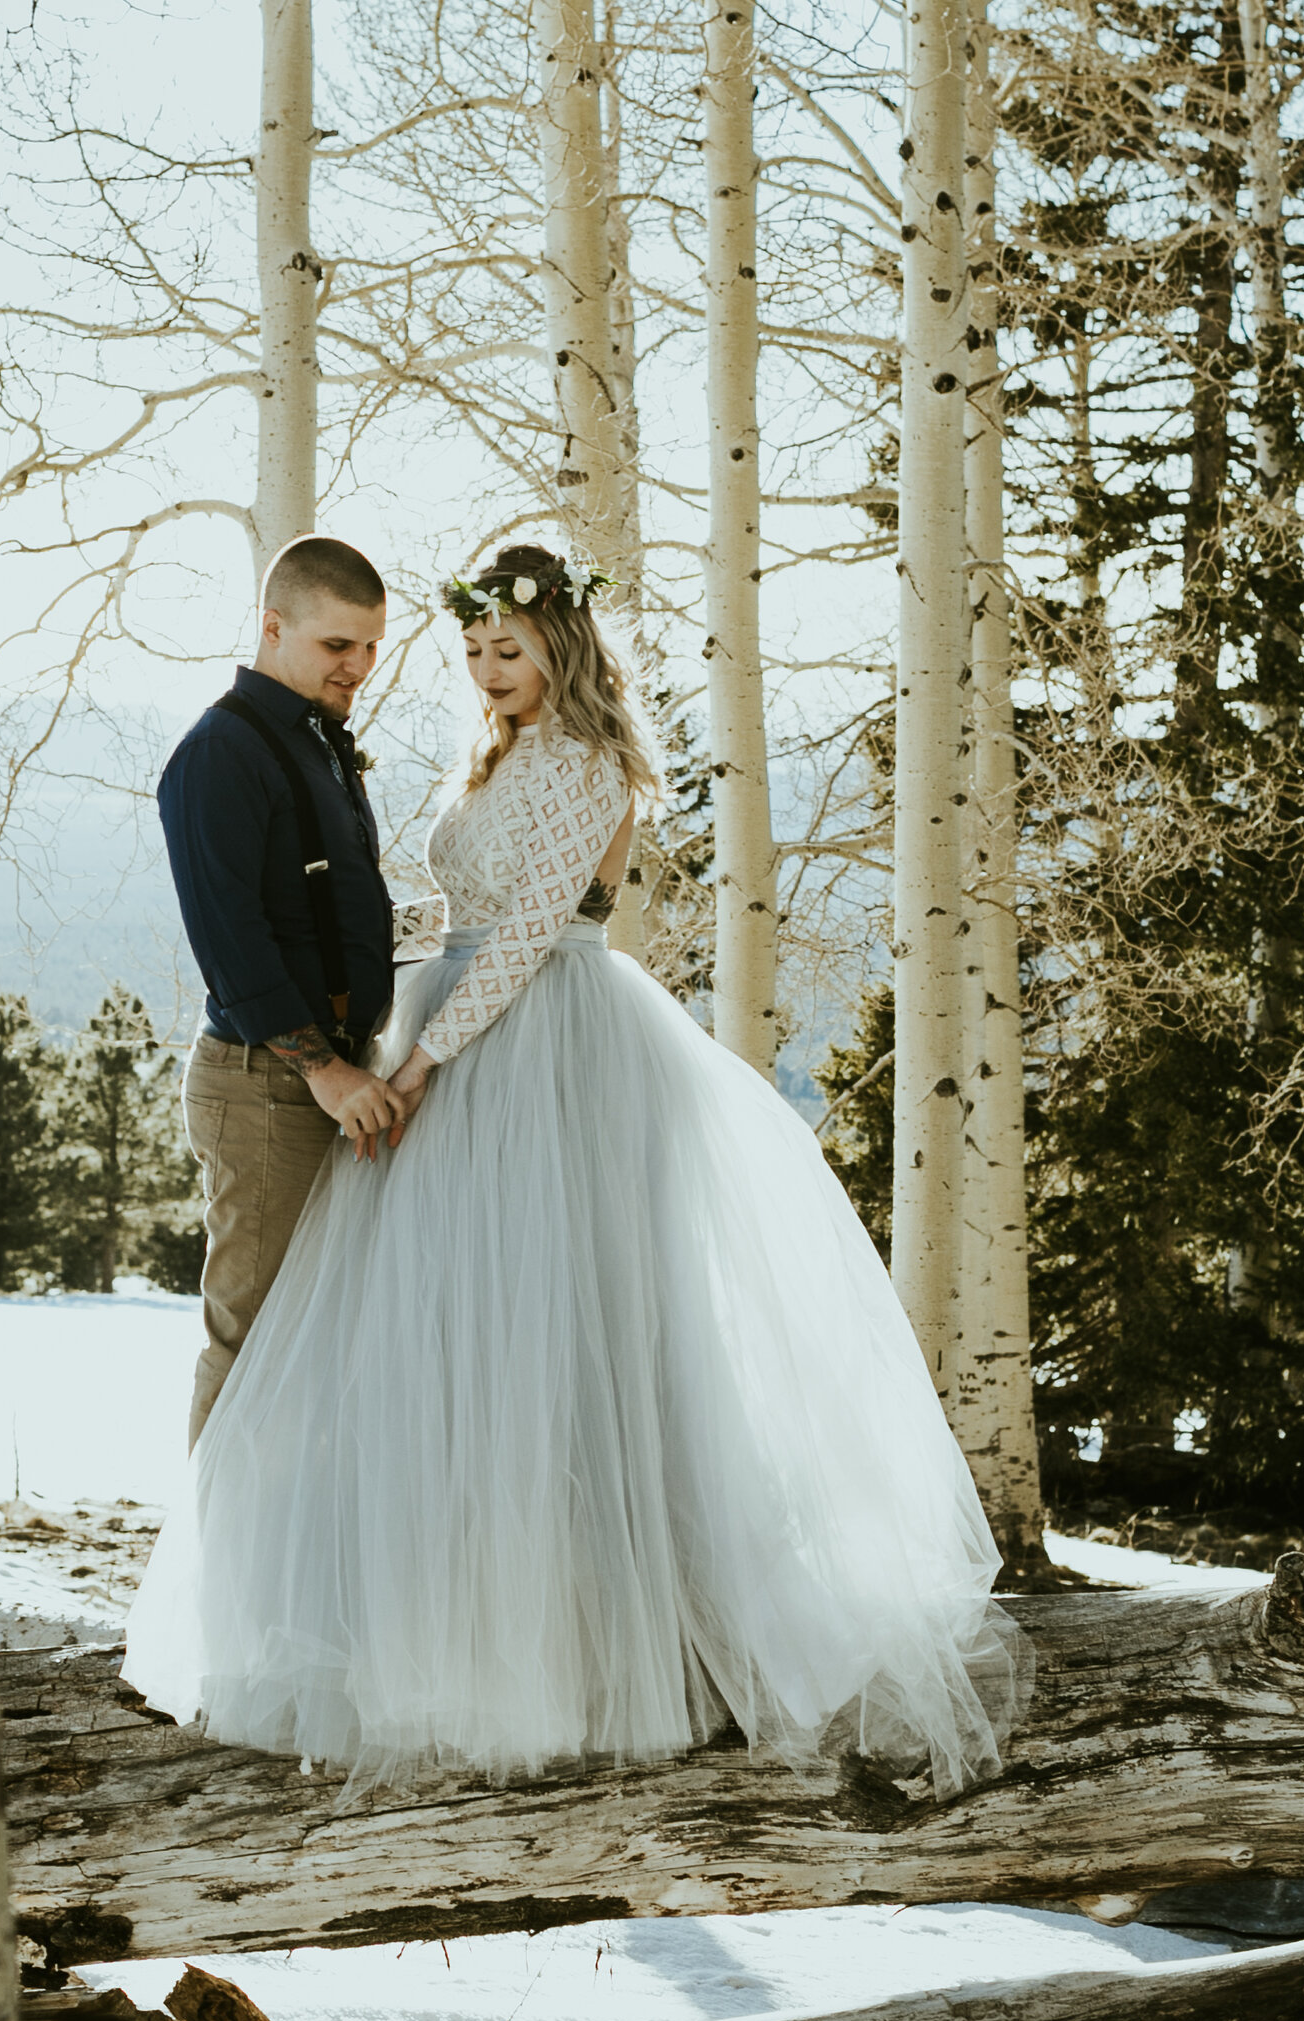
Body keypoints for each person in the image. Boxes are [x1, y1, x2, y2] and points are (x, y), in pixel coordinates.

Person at [125, 541, 1019, 1797]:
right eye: (474, 653)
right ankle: (347, 1610)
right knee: (414, 1343)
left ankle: (597, 1642)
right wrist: (407, 1035)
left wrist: (424, 1053)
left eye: (511, 651)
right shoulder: (450, 754)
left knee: (563, 1344)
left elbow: (536, 928)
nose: (486, 673)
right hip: (429, 1043)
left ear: (565, 649)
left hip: (532, 1049)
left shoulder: (591, 766)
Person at [155, 533, 399, 1442]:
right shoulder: (221, 750)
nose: (361, 667)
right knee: (252, 1338)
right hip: (267, 1086)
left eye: (372, 645)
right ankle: (219, 1577)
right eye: (340, 646)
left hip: (329, 1079)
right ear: (273, 626)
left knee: (316, 1339)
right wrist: (322, 1072)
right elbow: (231, 941)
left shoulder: (318, 742)